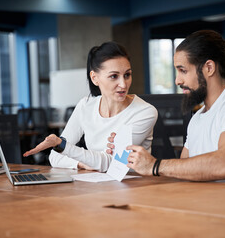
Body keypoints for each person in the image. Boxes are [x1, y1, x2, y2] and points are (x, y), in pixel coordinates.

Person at [107, 30, 225, 182]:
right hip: (210, 208)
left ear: (209, 68)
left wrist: (155, 166)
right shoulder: (198, 118)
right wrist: (132, 157)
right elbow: (184, 169)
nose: (177, 80)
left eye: (183, 70)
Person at [23, 41, 158, 172]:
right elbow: (55, 157)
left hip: (135, 188)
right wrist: (81, 164)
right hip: (95, 185)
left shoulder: (145, 112)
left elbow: (112, 163)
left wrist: (62, 145)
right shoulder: (85, 106)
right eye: (114, 76)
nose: (123, 84)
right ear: (94, 78)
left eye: (127, 75)